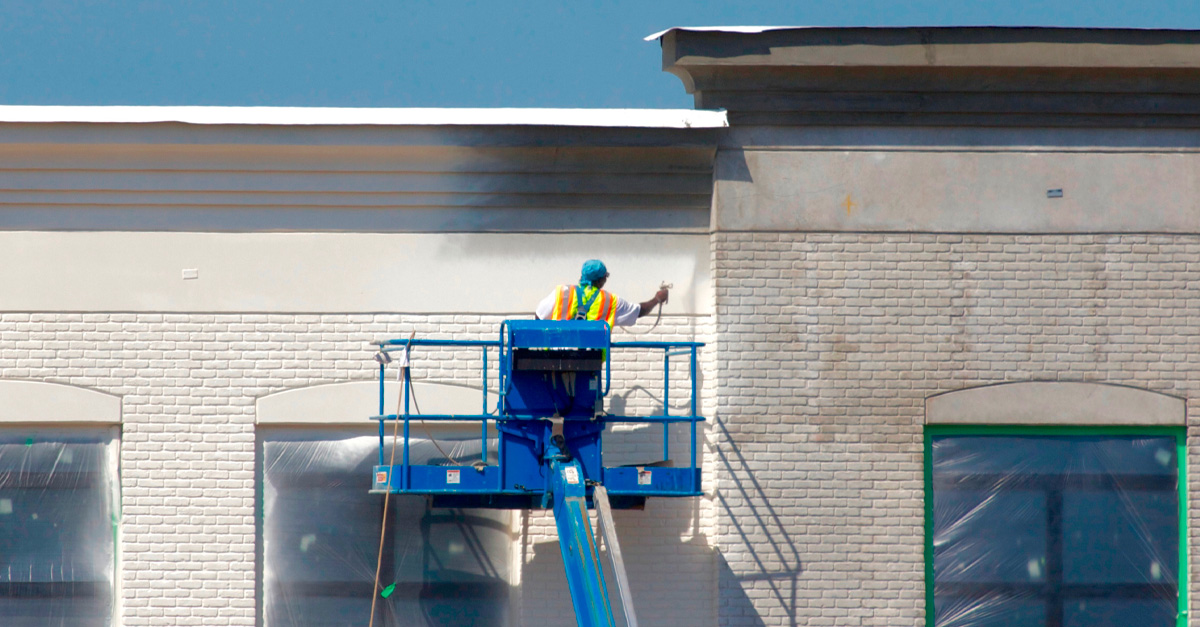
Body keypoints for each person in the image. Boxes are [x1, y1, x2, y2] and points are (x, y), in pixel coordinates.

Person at [535, 259, 668, 326]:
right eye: (606, 276)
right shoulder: (609, 301)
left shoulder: (561, 292)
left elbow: (539, 316)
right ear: (600, 281)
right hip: (590, 361)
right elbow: (640, 311)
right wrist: (657, 299)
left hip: (554, 359)